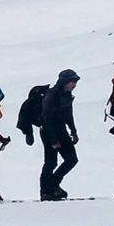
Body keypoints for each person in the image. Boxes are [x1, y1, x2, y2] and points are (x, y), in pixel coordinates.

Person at [37, 70, 81, 200]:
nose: (75, 85)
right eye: (73, 82)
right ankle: (46, 191)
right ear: (65, 81)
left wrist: (73, 130)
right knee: (51, 162)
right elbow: (46, 118)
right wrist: (53, 139)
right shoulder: (52, 95)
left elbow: (68, 114)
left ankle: (53, 185)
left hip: (61, 130)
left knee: (72, 159)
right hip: (48, 131)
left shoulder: (67, 94)